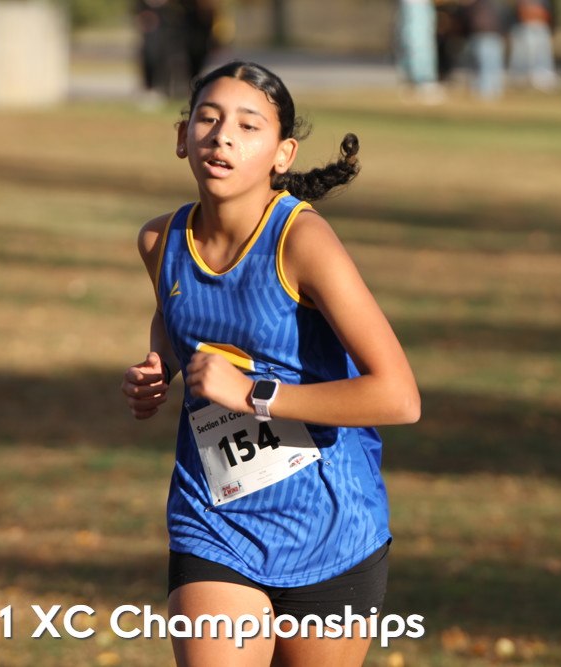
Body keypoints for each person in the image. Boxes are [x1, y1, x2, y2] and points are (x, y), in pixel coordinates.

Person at [122, 61, 421, 666]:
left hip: (331, 527)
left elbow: (398, 397)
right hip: (214, 521)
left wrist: (254, 395)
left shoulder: (303, 242)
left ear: (282, 154)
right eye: (208, 119)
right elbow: (178, 312)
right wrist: (161, 366)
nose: (222, 137)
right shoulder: (161, 241)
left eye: (248, 125)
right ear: (182, 137)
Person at [507, 0, 558, 91]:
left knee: (542, 56)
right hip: (524, 27)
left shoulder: (543, 3)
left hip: (540, 26)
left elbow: (546, 13)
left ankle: (542, 79)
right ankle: (522, 80)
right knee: (522, 57)